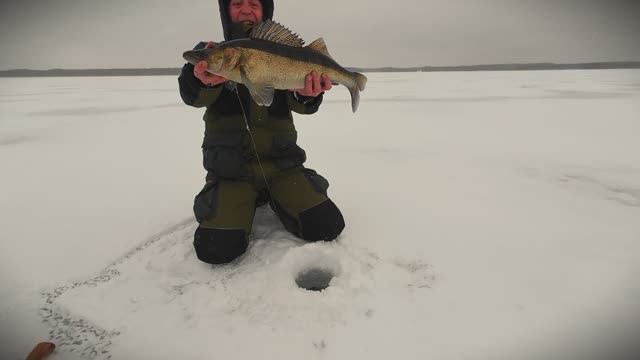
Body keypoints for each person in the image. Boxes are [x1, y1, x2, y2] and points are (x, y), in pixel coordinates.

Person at [178, 0, 345, 265]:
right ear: (225, 12)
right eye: (237, 3)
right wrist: (200, 78)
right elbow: (192, 94)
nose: (247, 9)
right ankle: (242, 199)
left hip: (283, 168)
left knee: (326, 225)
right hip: (232, 172)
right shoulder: (210, 55)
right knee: (216, 248)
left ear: (265, 11)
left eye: (255, 3)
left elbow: (303, 106)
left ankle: (279, 196)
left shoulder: (286, 52)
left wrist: (307, 95)